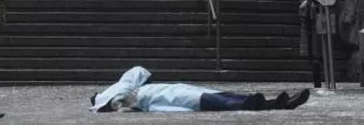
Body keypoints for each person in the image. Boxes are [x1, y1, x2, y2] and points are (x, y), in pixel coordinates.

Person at [90, 66, 311, 113]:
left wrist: (118, 101)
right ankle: (273, 104)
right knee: (217, 100)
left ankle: (275, 102)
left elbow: (134, 76)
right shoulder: (112, 93)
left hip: (170, 94)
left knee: (218, 98)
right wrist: (116, 101)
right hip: (169, 96)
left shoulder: (118, 91)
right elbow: (136, 72)